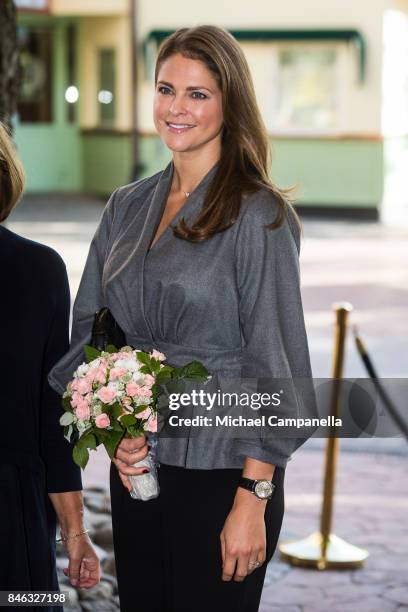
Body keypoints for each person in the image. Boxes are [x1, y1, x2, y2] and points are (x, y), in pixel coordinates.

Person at [49, 25, 313, 612]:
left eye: (198, 94)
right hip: (140, 467)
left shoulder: (260, 215)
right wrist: (116, 427)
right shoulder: (126, 205)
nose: (176, 108)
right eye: (167, 88)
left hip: (226, 473)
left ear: (230, 103)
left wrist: (253, 498)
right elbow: (93, 332)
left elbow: (279, 368)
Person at [0, 122, 100, 609]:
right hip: (16, 524)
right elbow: (51, 417)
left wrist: (75, 532)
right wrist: (73, 533)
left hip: (17, 518)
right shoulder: (39, 269)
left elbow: (52, 413)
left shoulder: (40, 270)